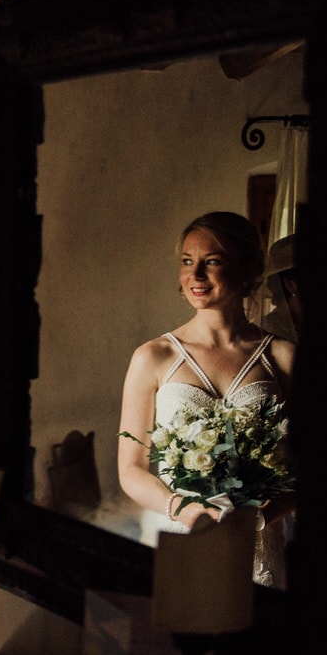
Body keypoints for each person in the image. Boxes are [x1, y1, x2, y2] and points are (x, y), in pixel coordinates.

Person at [115, 211, 295, 582]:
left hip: (258, 548)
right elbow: (130, 469)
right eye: (187, 261)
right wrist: (184, 510)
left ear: (247, 269)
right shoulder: (153, 357)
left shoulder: (283, 357)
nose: (195, 275)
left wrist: (262, 513)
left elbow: (321, 465)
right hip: (181, 538)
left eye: (211, 261)